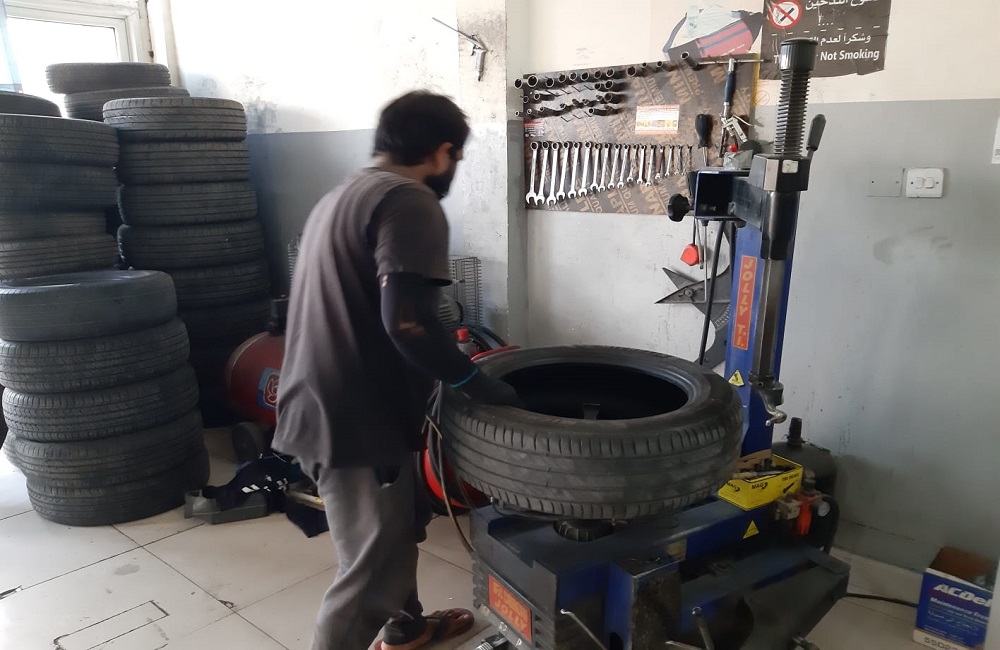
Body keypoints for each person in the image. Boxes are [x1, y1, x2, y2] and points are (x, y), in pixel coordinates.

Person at [273, 91, 523, 650]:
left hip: (322, 402)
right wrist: (474, 382)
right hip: (356, 417)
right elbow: (409, 325)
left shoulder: (344, 194)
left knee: (395, 529)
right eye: (456, 159)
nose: (452, 170)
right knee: (369, 577)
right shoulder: (411, 201)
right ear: (441, 152)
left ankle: (406, 629)